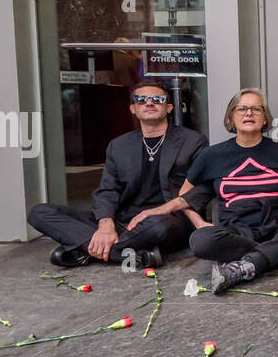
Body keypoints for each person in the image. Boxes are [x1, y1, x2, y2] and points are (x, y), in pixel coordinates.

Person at [140, 88, 278, 293]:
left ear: (265, 118)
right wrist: (201, 224)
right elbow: (184, 196)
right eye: (241, 109)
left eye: (256, 109)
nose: (249, 113)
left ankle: (251, 263)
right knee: (200, 240)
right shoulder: (212, 156)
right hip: (237, 232)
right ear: (231, 117)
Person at [27, 79, 209, 269]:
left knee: (159, 228)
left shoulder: (193, 141)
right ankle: (128, 255)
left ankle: (88, 250)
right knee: (39, 213)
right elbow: (108, 189)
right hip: (123, 220)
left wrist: (160, 211)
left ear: (169, 107)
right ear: (133, 108)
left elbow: (201, 189)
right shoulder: (119, 145)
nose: (149, 103)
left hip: (166, 219)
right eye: (141, 99)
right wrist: (106, 224)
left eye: (157, 99)